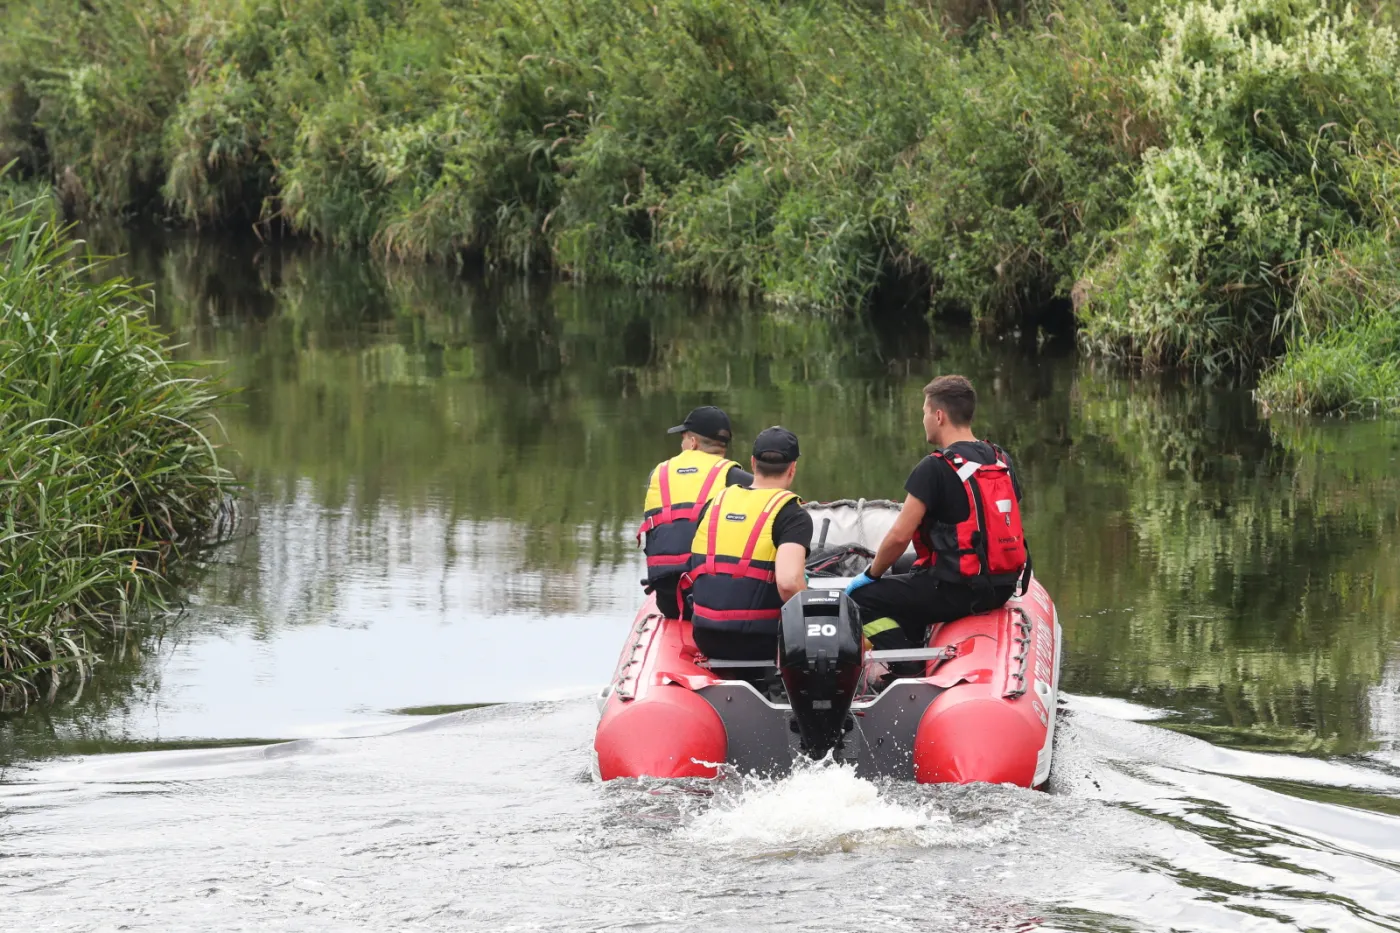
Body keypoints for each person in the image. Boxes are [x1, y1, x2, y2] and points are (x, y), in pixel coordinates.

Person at [846, 375, 1029, 664]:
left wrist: (868, 576)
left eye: (924, 413)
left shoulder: (934, 467)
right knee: (903, 565)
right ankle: (915, 635)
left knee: (860, 600)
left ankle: (905, 662)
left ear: (939, 415)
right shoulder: (1000, 459)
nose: (924, 420)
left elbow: (898, 537)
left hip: (959, 592)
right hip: (1001, 585)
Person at [682, 426, 812, 668]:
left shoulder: (715, 504)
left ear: (753, 463)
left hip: (707, 636)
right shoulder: (793, 515)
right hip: (761, 642)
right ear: (792, 468)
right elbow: (789, 583)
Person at [638, 406, 754, 619]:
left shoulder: (657, 475)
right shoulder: (742, 480)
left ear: (692, 443)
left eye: (682, 439)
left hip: (670, 601)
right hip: (719, 601)